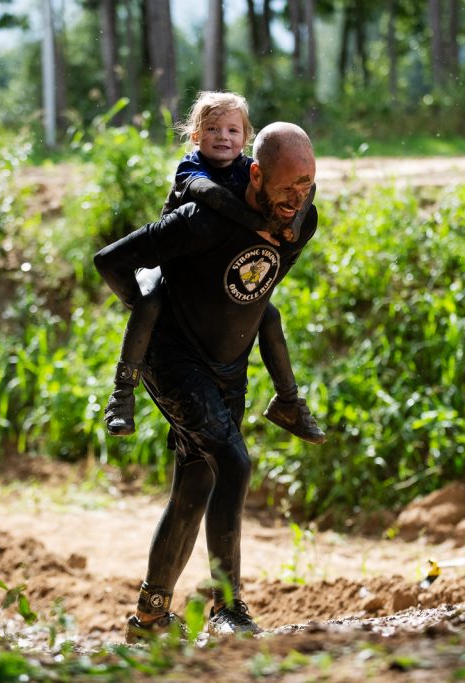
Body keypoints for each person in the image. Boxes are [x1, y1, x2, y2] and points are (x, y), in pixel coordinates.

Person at [93, 121, 320, 641]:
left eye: (306, 185)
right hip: (175, 358)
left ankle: (150, 617)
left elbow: (259, 289)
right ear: (256, 174)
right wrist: (152, 313)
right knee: (233, 461)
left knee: (197, 482)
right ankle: (228, 609)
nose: (297, 199)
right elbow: (110, 261)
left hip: (229, 365)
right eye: (287, 186)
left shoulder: (300, 222)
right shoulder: (200, 220)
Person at [102, 91, 324, 447]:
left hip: (214, 278)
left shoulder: (247, 168)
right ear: (195, 136)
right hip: (171, 267)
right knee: (152, 303)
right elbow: (212, 196)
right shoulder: (192, 169)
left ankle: (289, 402)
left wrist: (294, 225)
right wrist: (257, 222)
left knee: (268, 316)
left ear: (246, 138)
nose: (224, 137)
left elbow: (303, 185)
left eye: (233, 130)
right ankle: (122, 394)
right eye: (213, 129)